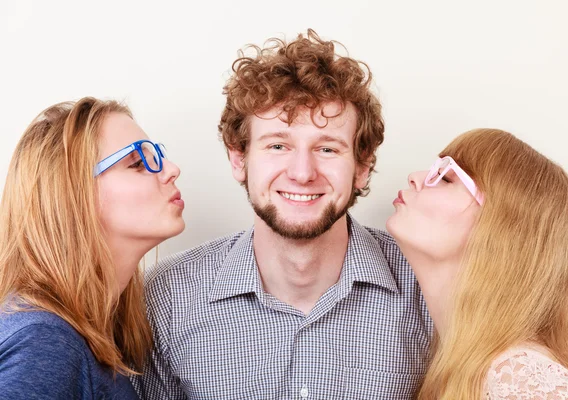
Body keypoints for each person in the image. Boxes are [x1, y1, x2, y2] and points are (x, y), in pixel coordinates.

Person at [135, 29, 431, 399]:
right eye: (278, 145)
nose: (302, 173)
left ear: (363, 167)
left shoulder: (426, 290)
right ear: (239, 158)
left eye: (327, 149)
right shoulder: (165, 297)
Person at [386, 128, 568, 399]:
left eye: (446, 177)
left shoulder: (523, 378)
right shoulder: (475, 367)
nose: (415, 178)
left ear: (500, 226)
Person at [0, 97, 185, 399]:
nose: (172, 170)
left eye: (159, 157)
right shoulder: (44, 341)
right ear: (74, 194)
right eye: (138, 163)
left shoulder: (87, 331)